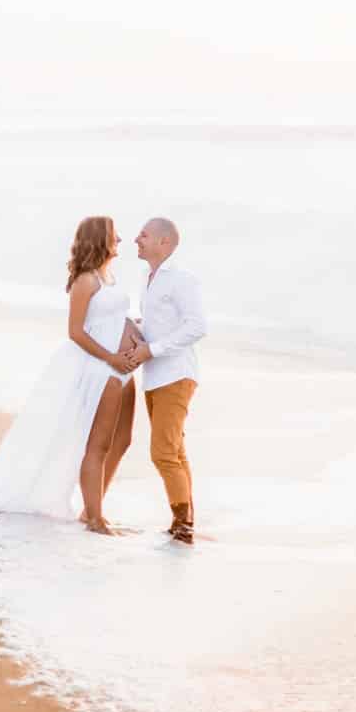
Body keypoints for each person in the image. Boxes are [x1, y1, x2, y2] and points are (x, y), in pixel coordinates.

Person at [0, 215, 141, 533]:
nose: (121, 240)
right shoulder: (86, 280)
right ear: (101, 238)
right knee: (98, 445)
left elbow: (115, 317)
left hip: (123, 367)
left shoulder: (108, 276)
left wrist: (137, 335)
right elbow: (75, 332)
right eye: (115, 235)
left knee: (123, 440)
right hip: (102, 369)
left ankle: (92, 508)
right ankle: (94, 518)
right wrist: (112, 358)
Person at [121, 217, 207, 544]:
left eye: (143, 235)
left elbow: (197, 326)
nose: (136, 240)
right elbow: (159, 326)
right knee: (175, 451)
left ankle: (183, 528)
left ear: (163, 242)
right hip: (155, 376)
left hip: (176, 374)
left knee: (163, 453)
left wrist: (151, 349)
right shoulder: (147, 278)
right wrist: (132, 328)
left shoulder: (182, 278)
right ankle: (183, 523)